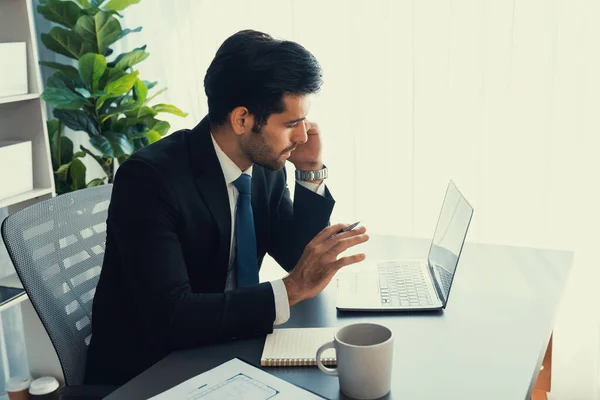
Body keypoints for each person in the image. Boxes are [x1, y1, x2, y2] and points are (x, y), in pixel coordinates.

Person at [84, 29, 369, 386]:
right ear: (242, 119)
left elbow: (296, 257)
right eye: (292, 124)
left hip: (228, 345)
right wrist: (291, 289)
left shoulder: (263, 166)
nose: (303, 136)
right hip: (152, 369)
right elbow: (170, 317)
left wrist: (311, 171)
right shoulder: (150, 180)